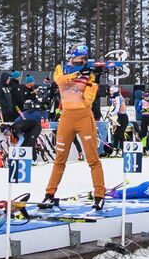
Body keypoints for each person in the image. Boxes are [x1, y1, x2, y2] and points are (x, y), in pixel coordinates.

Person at [42, 46, 105, 209]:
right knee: (59, 159)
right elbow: (59, 81)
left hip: (84, 115)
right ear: (73, 57)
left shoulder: (88, 74)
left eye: (85, 59)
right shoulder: (61, 68)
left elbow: (88, 100)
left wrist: (95, 81)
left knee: (92, 158)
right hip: (66, 117)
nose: (83, 62)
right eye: (81, 58)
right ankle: (49, 194)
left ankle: (99, 195)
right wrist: (78, 74)